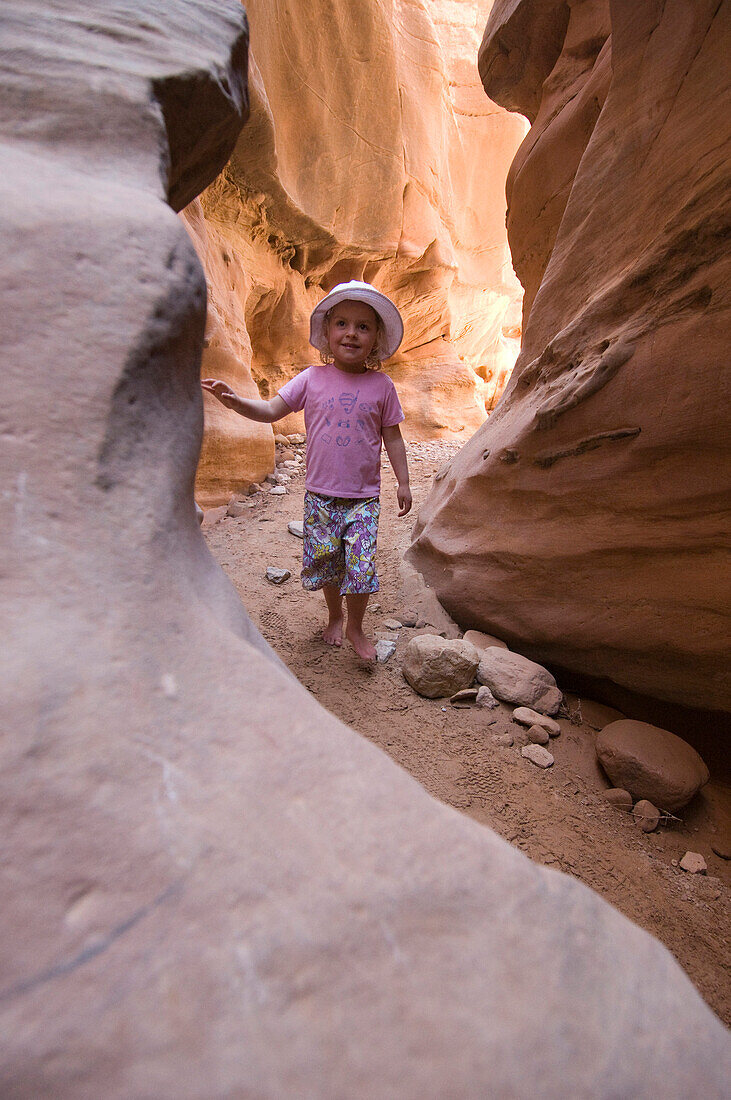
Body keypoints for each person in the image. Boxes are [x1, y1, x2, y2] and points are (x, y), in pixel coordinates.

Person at [202, 280, 411, 661]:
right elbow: (270, 410)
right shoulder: (311, 379)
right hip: (320, 495)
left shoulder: (382, 386)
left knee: (360, 566)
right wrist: (234, 403)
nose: (351, 333)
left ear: (376, 337)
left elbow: (393, 438)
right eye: (343, 324)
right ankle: (334, 616)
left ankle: (356, 626)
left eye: (363, 326)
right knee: (329, 564)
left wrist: (404, 482)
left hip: (363, 498)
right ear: (327, 332)